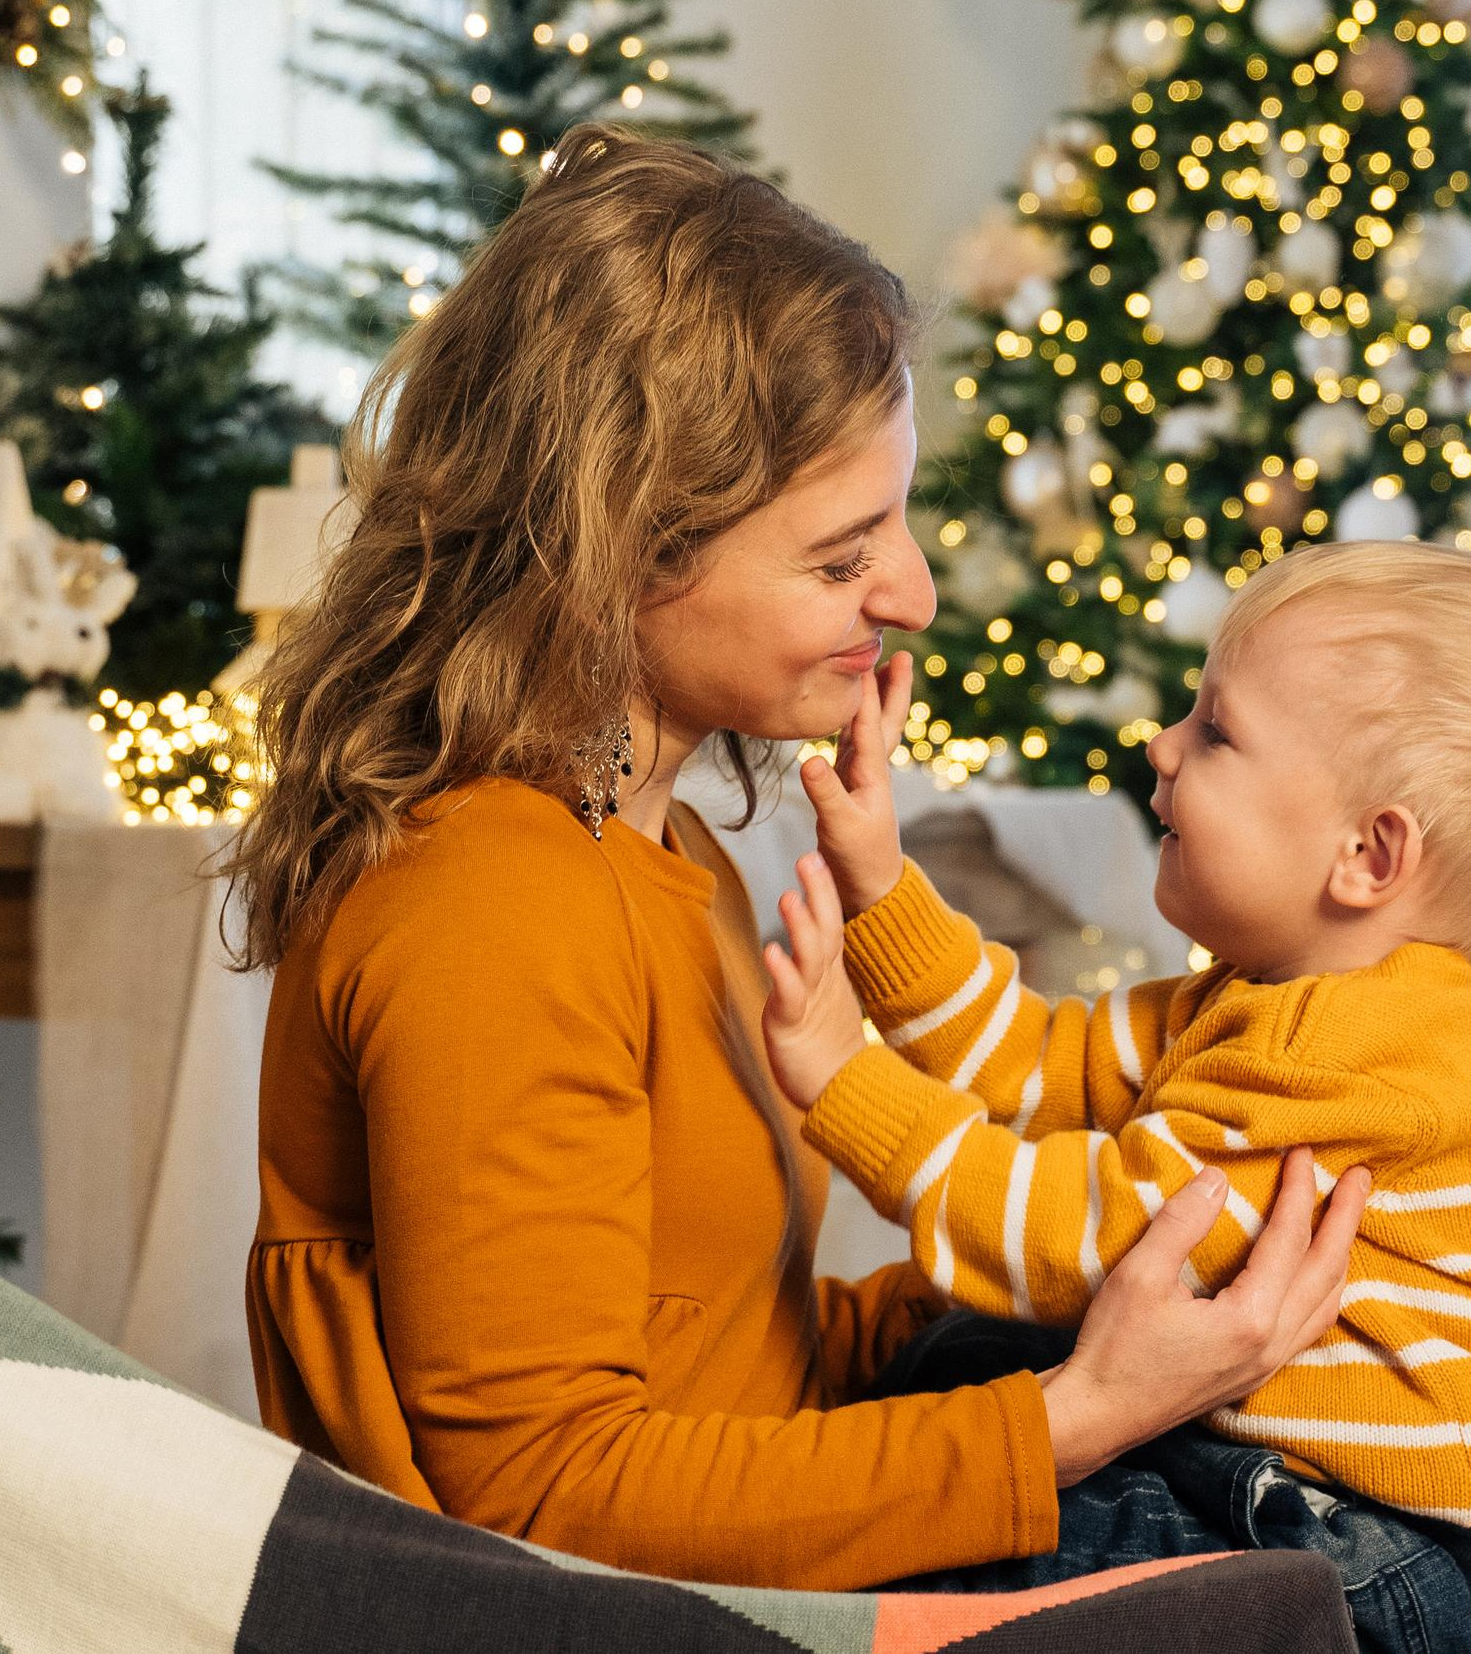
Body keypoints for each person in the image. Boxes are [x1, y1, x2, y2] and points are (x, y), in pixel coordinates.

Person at [223, 122, 1370, 1596]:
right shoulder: (493, 902)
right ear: (623, 549)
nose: (916, 591)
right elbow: (546, 1497)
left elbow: (731, 1358)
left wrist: (1092, 1282)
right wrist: (1074, 1416)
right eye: (842, 555)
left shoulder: (667, 847)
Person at [756, 541, 1471, 1652]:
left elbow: (1093, 1233)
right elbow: (1044, 1067)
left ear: (1367, 855)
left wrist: (851, 1086)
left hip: (1367, 1562)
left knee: (961, 1536)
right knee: (951, 1371)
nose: (1161, 744)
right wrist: (884, 888)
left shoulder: (1355, 1055)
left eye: (1216, 731)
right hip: (1276, 1488)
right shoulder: (1261, 995)